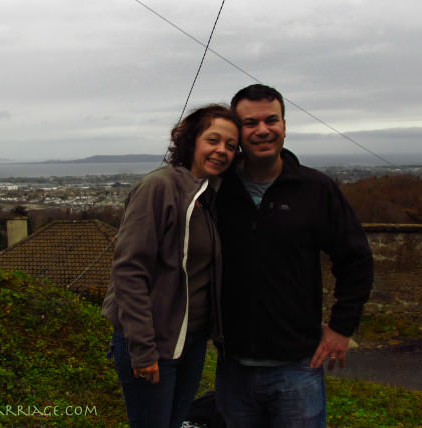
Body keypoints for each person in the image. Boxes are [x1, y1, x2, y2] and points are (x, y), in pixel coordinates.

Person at [214, 84, 373, 427]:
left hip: (298, 367)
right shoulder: (217, 191)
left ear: (284, 125)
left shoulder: (316, 189)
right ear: (237, 132)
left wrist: (342, 328)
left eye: (271, 120)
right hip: (232, 366)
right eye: (250, 123)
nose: (262, 130)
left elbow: (356, 259)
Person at [102, 104, 240, 428]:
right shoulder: (160, 187)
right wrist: (142, 349)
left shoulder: (211, 197)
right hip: (153, 342)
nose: (221, 150)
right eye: (214, 140)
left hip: (191, 343)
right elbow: (129, 270)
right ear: (192, 140)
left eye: (231, 146)